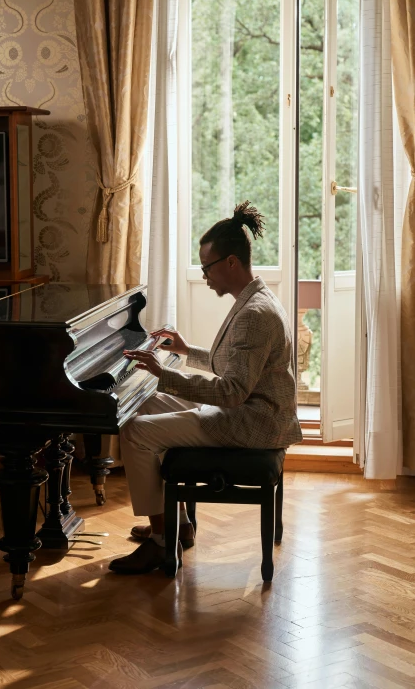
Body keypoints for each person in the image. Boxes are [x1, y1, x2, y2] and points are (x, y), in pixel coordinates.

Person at [108, 201, 302, 574]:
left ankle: (161, 541)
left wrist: (163, 374)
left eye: (207, 266)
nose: (204, 274)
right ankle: (176, 523)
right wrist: (184, 350)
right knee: (145, 404)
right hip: (254, 411)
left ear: (231, 262)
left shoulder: (254, 315)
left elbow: (232, 392)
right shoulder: (255, 299)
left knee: (134, 432)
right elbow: (238, 367)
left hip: (252, 423)